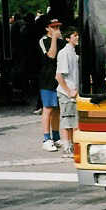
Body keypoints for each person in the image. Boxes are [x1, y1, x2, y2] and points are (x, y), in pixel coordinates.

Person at [39, 18, 65, 151]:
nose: (57, 29)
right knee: (48, 108)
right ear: (47, 28)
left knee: (57, 109)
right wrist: (54, 38)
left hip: (58, 79)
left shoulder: (63, 42)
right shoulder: (43, 41)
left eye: (58, 27)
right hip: (47, 79)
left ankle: (56, 136)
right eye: (53, 27)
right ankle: (46, 138)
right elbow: (51, 55)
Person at [55, 27, 80, 159]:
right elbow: (59, 76)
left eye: (77, 35)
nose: (77, 37)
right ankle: (67, 147)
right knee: (67, 121)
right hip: (67, 93)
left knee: (74, 122)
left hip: (74, 92)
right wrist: (68, 91)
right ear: (67, 38)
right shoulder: (64, 53)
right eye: (74, 35)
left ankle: (73, 146)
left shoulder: (74, 53)